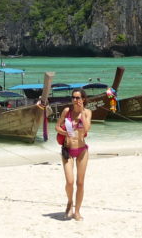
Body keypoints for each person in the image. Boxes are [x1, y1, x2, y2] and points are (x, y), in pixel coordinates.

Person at [56, 87, 91, 221]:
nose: (75, 100)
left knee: (80, 183)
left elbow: (87, 128)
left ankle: (77, 211)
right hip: (68, 150)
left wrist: (81, 111)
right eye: (73, 97)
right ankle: (69, 203)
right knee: (70, 182)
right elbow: (57, 126)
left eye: (78, 98)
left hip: (82, 150)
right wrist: (64, 133)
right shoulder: (67, 111)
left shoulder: (87, 112)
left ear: (83, 99)